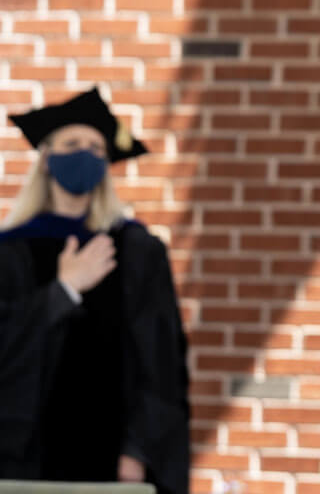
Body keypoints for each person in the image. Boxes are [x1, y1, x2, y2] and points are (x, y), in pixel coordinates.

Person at [0, 88, 190, 494]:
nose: (84, 154)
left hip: (114, 457)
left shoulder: (137, 250)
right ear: (47, 159)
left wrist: (139, 450)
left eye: (96, 148)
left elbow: (161, 360)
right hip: (24, 454)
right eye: (72, 144)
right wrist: (64, 290)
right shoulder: (10, 251)